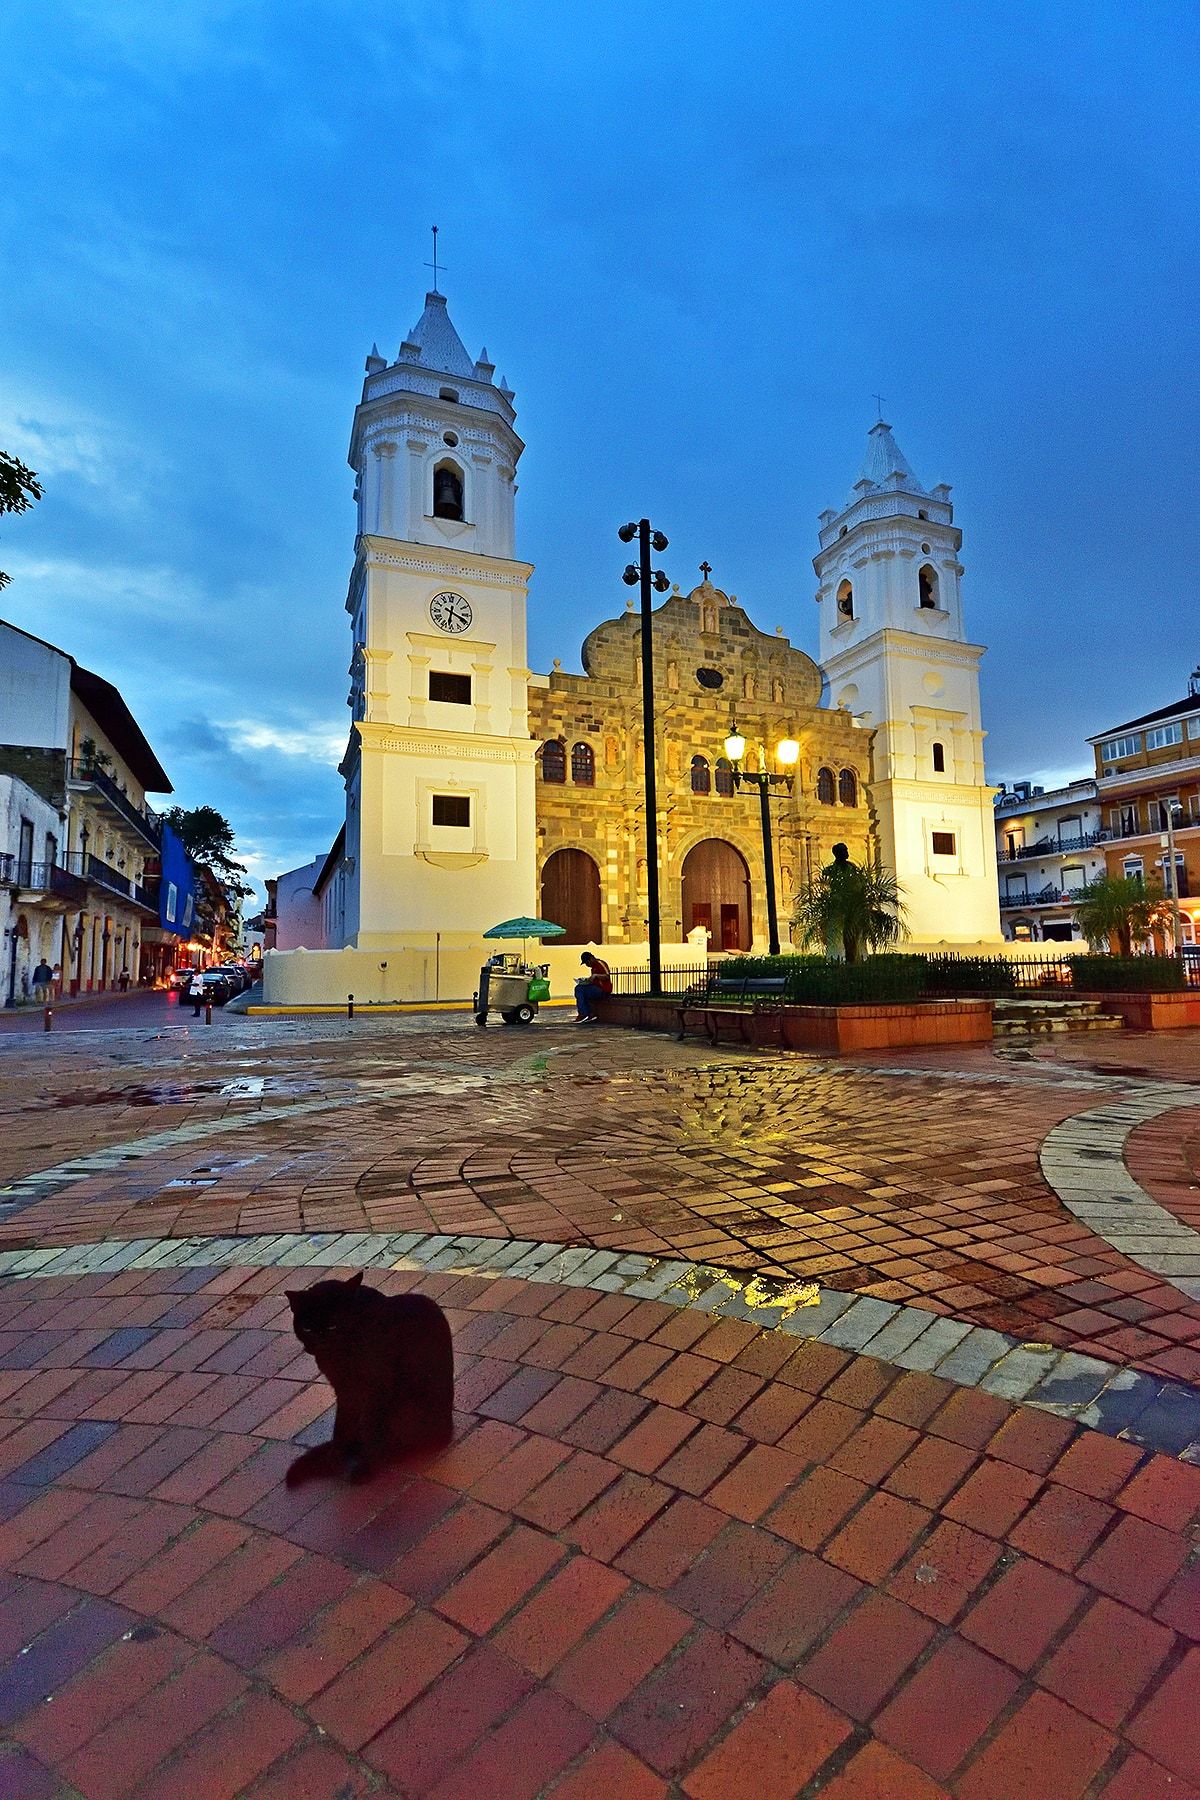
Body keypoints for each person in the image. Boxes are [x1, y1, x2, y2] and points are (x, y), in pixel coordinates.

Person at [574, 951, 612, 1023]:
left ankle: (583, 1013)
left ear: (591, 959)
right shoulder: (593, 968)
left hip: (603, 989)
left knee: (579, 990)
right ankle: (588, 1013)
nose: (587, 965)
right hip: (596, 988)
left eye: (587, 963)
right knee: (580, 990)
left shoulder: (600, 964)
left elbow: (607, 976)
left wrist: (596, 975)